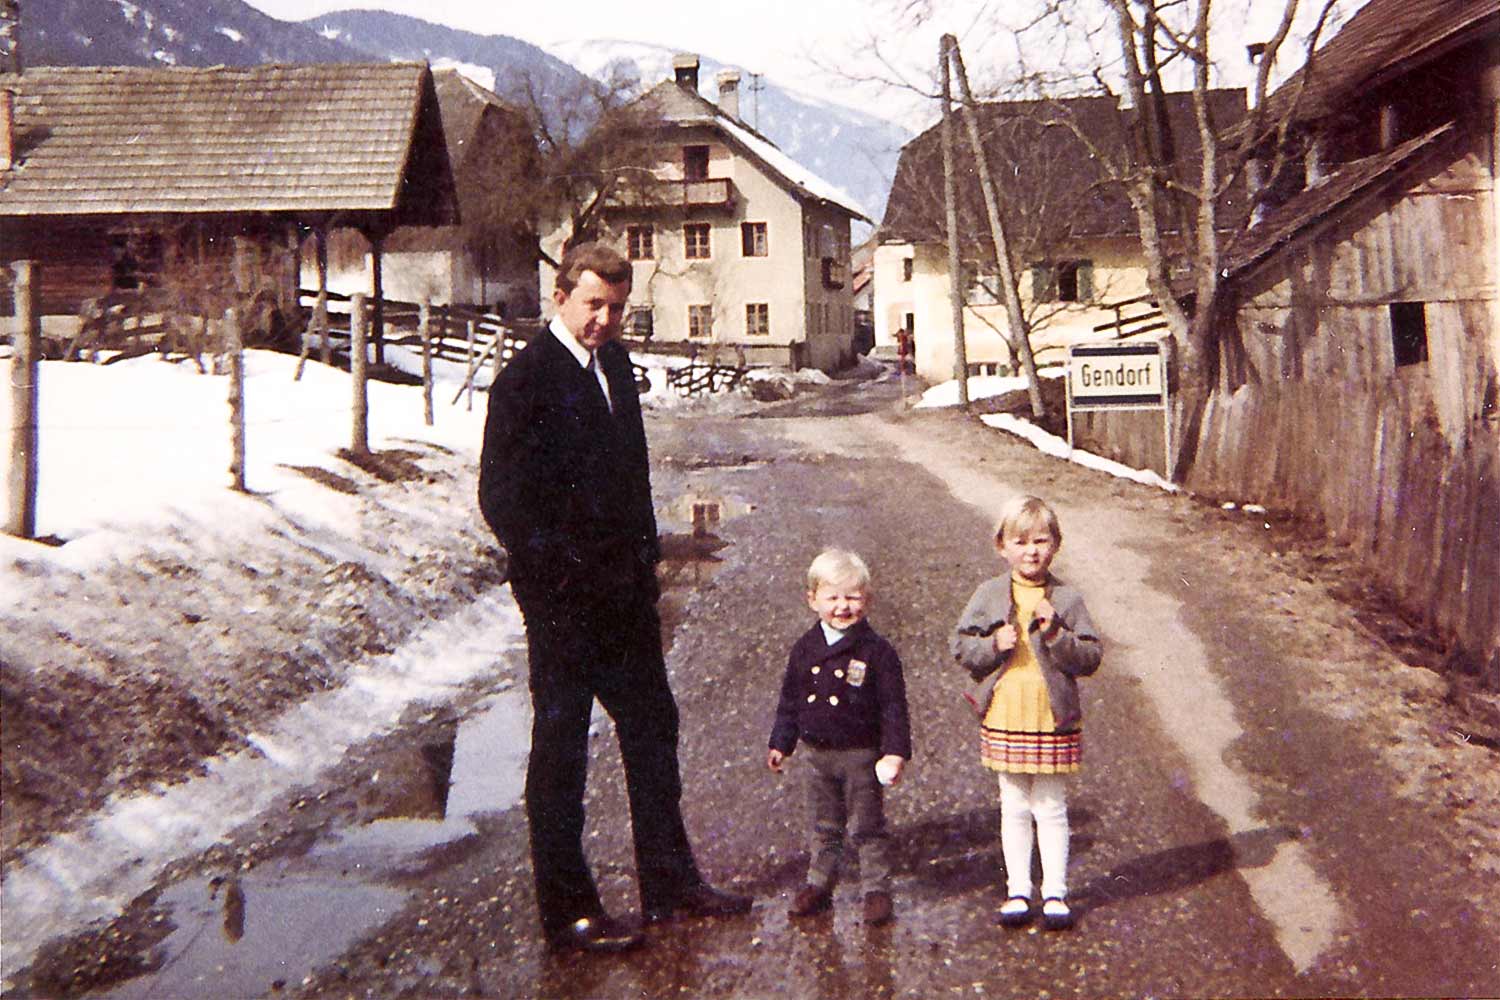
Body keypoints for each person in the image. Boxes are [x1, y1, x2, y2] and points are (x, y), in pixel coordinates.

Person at [478, 242, 750, 953]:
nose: (604, 319)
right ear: (561, 297)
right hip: (564, 604)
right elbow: (502, 499)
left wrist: (644, 562)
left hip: (625, 597)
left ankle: (669, 883)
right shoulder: (524, 382)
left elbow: (631, 478)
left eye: (617, 307)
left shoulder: (618, 367)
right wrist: (559, 577)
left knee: (653, 729)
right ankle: (568, 912)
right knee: (562, 750)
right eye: (593, 304)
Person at [951, 495, 1102, 931]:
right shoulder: (988, 594)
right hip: (1006, 713)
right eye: (1020, 542)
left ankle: (1055, 892)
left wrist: (1056, 633)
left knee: (1050, 806)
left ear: (1055, 545)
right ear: (1001, 546)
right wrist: (991, 645)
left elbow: (1090, 657)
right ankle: (1018, 890)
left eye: (1041, 541)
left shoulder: (1068, 598)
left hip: (1050, 716)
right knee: (1014, 804)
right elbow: (960, 646)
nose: (1031, 551)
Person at [767, 549, 912, 926]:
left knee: (867, 827)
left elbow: (893, 706)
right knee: (824, 825)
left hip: (861, 755)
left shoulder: (877, 651)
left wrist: (894, 752)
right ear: (812, 600)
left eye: (852, 597)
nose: (843, 607)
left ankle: (876, 889)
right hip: (816, 754)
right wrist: (781, 743)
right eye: (832, 597)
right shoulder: (805, 648)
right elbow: (790, 701)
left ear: (868, 599)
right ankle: (820, 883)